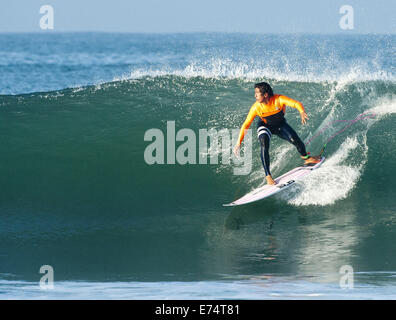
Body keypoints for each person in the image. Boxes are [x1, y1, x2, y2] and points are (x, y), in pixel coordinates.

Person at [233, 82, 321, 185]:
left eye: (257, 93)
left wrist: (301, 111)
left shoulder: (278, 99)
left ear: (265, 94)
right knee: (264, 143)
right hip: (265, 126)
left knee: (295, 140)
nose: (255, 96)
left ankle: (306, 158)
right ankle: (268, 176)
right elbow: (246, 125)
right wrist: (239, 143)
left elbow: (296, 103)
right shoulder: (256, 107)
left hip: (280, 125)